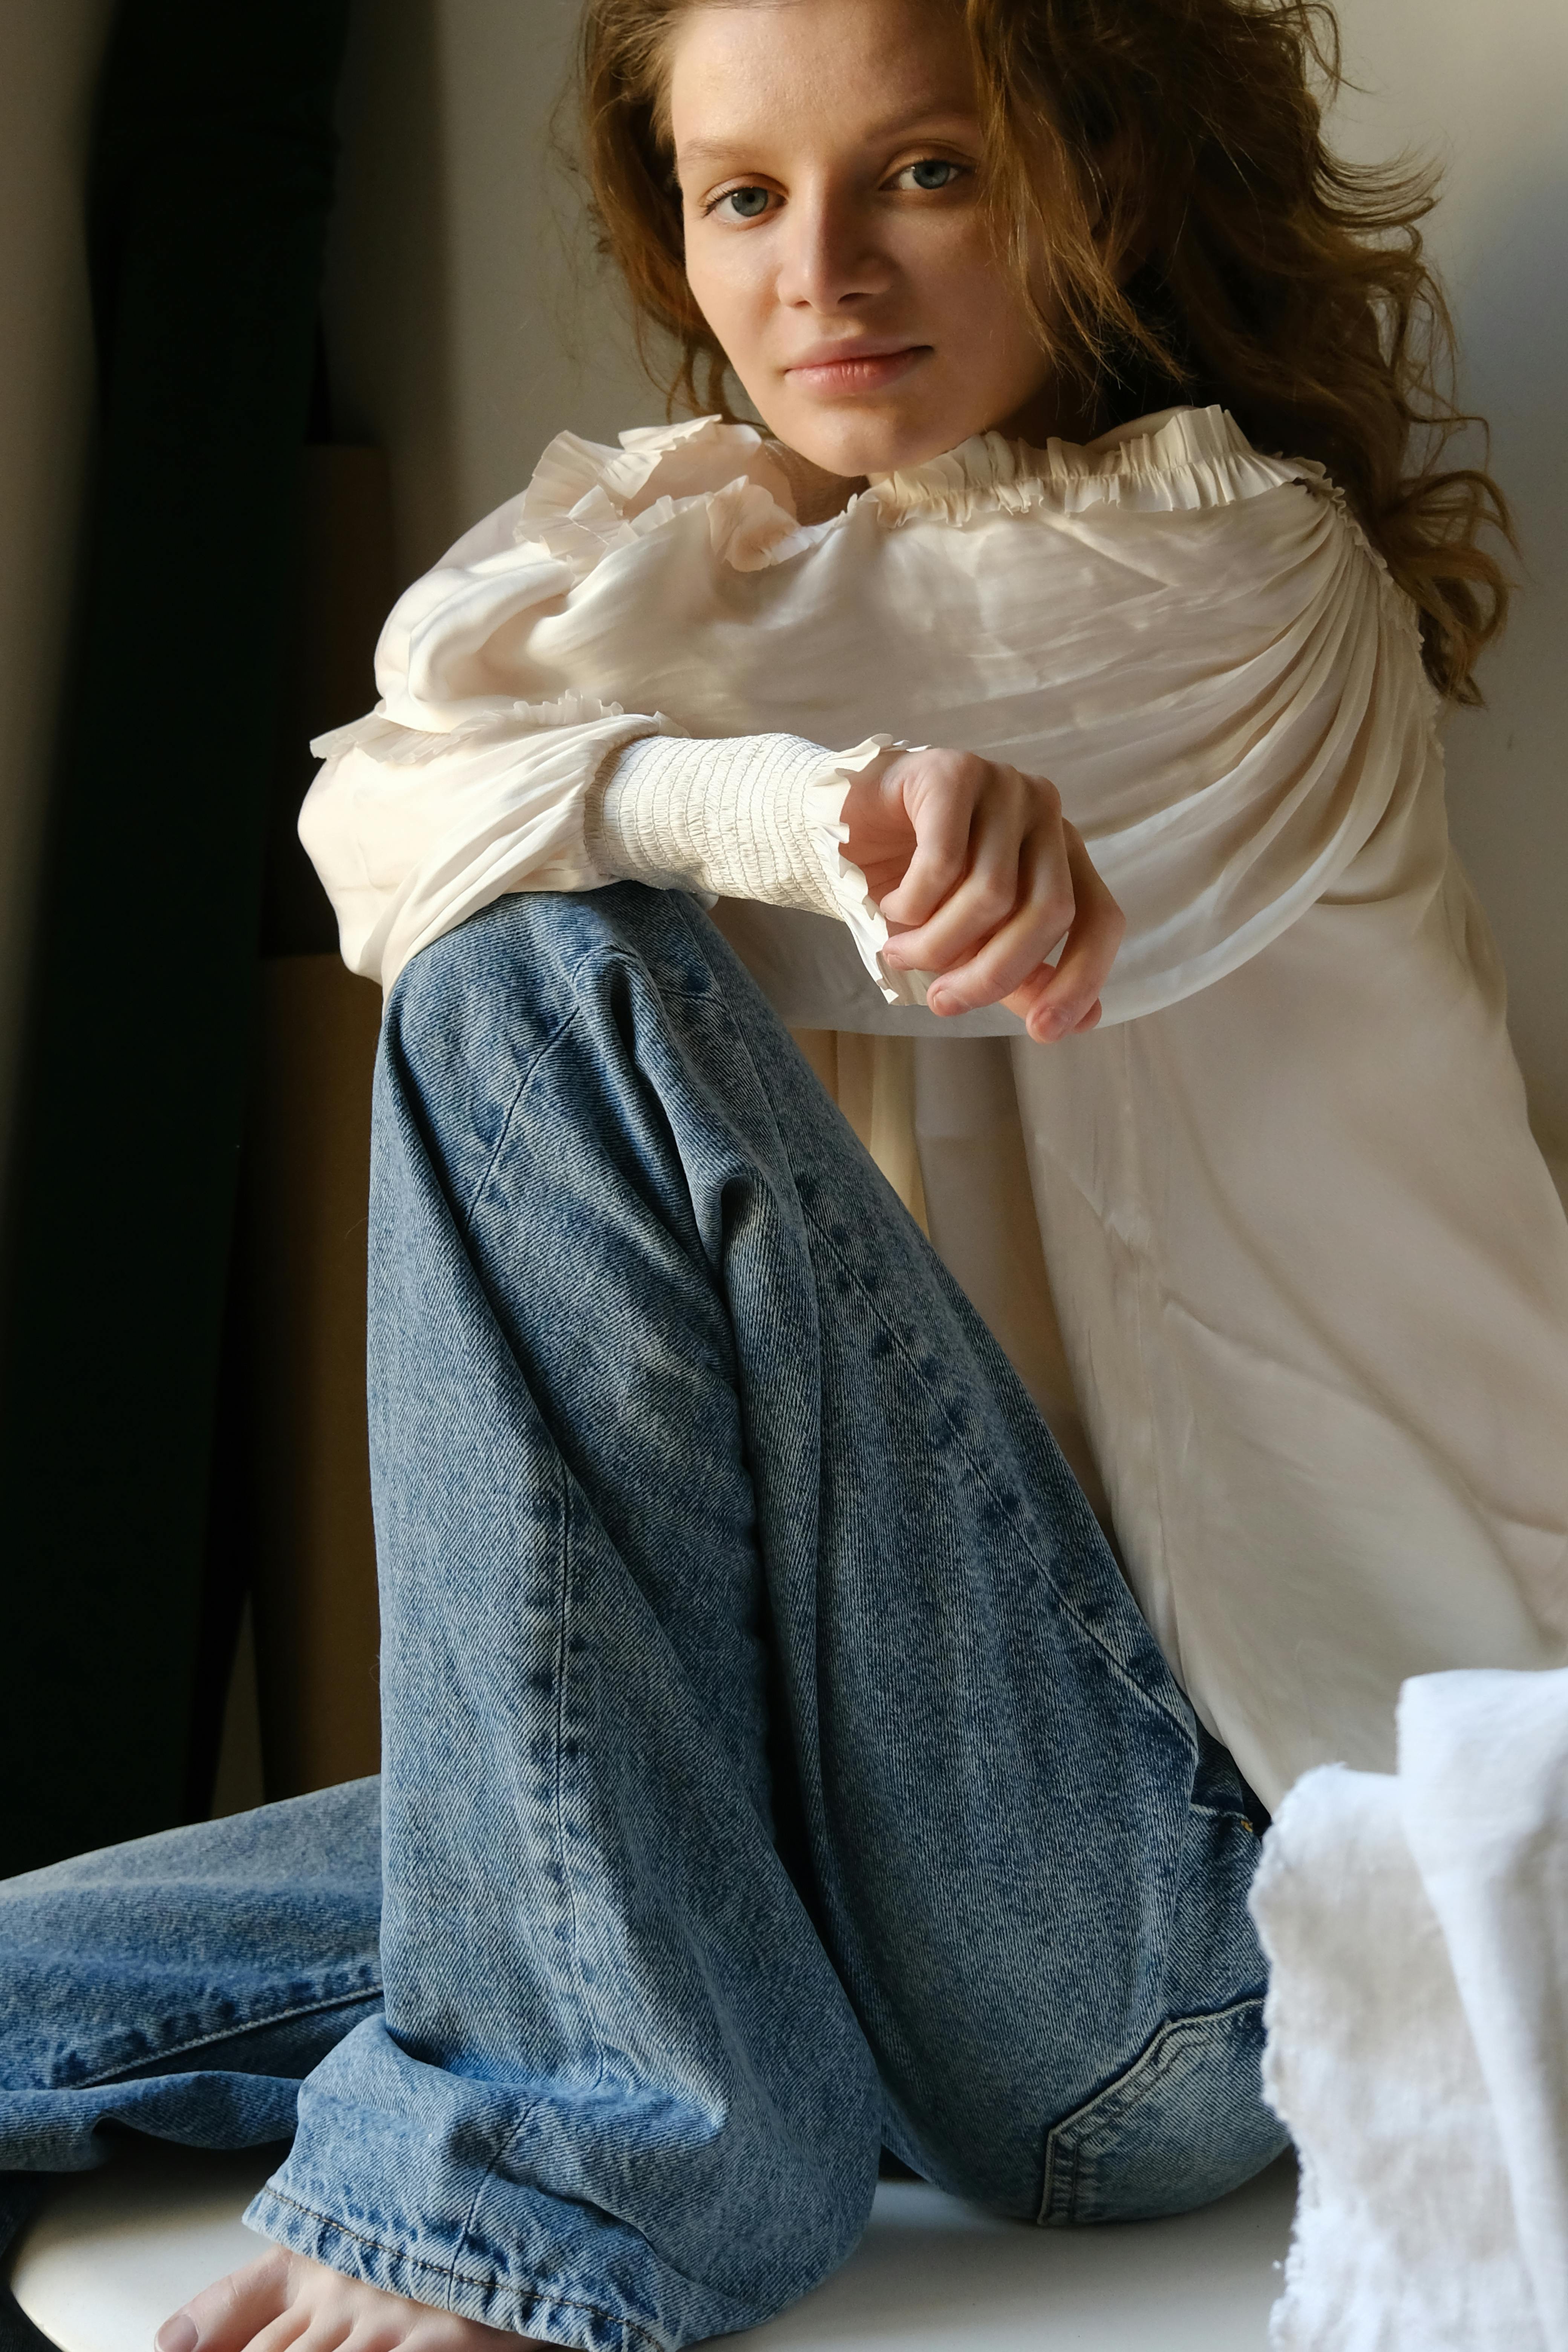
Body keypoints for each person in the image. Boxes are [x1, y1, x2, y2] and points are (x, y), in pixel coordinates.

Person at [3, 0, 1565, 2347]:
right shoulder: (777, 593)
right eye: (742, 196)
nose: (818, 272)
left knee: (534, 978)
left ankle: (571, 2161)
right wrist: (757, 808)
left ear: (1107, 175)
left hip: (1213, 1933)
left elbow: (458, 803)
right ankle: (621, 2066)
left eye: (925, 171)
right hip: (875, 1851)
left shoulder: (1238, 581)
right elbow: (380, 799)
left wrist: (683, 801)